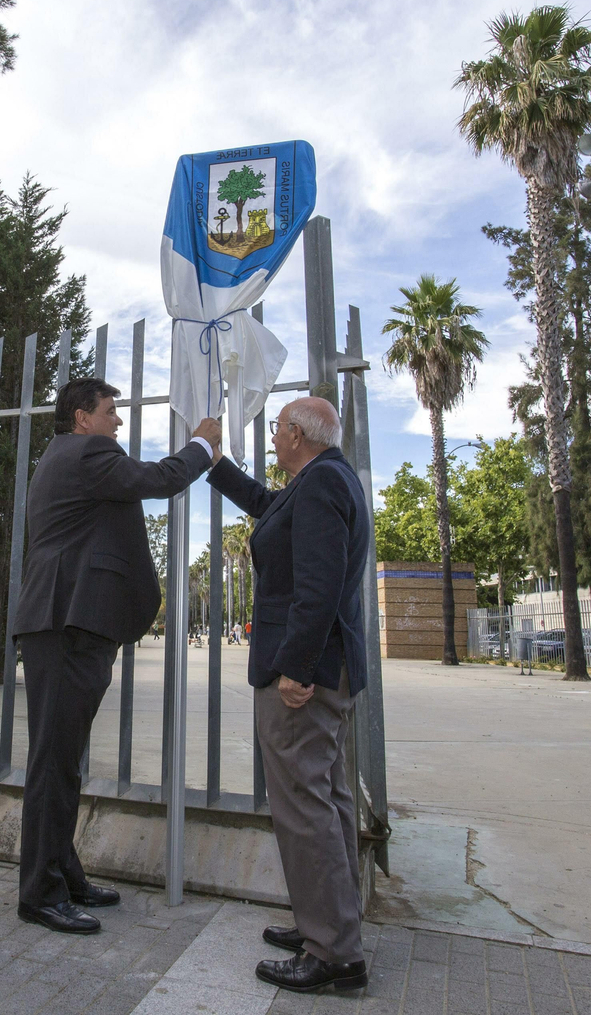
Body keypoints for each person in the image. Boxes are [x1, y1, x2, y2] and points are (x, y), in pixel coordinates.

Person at [12, 378, 220, 934]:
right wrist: (201, 445)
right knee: (54, 762)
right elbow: (157, 479)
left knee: (63, 758)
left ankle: (64, 875)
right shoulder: (87, 453)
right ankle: (40, 894)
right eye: (110, 411)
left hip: (69, 622)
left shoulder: (67, 456)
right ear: (83, 418)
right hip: (66, 622)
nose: (118, 421)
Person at [206, 396, 370, 994]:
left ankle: (334, 953)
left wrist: (296, 668)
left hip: (306, 674)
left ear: (298, 435)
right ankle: (330, 921)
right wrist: (214, 461)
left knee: (304, 808)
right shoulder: (324, 478)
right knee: (326, 799)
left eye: (277, 429)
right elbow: (264, 504)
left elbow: (318, 585)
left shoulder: (322, 483)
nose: (273, 437)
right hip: (327, 667)